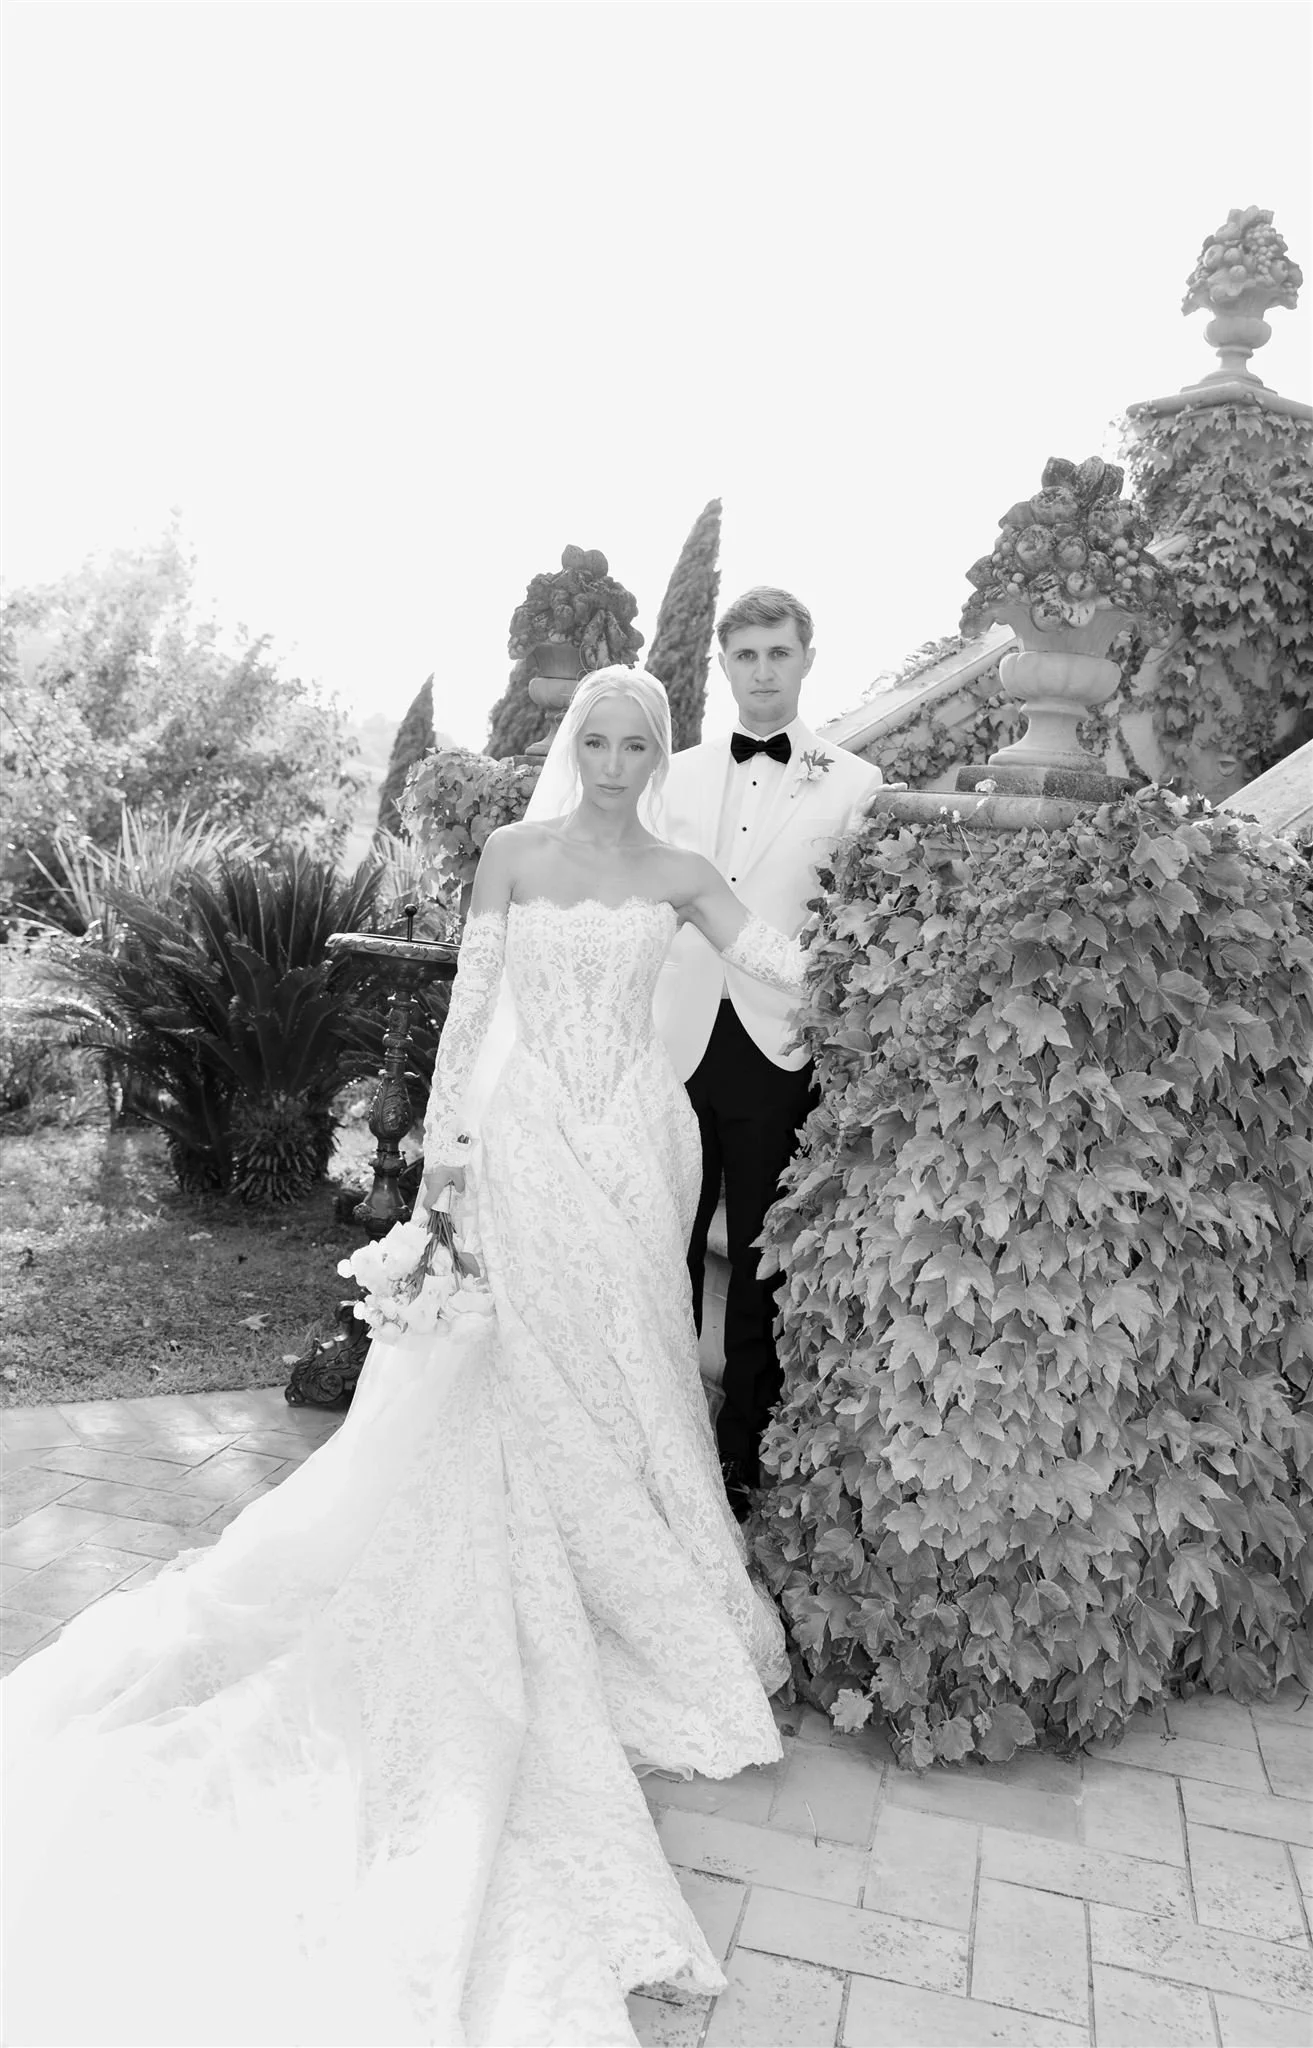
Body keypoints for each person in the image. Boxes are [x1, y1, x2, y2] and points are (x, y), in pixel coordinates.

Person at [2, 668, 804, 2048]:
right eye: (595, 740)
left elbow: (771, 960)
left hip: (642, 1144)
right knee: (537, 1363)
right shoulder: (515, 852)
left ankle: (641, 1576)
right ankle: (545, 1565)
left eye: (635, 743)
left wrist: (885, 964)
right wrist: (440, 1177)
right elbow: (473, 1011)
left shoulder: (679, 865)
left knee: (637, 1366)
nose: (612, 761)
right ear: (574, 746)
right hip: (536, 1144)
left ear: (659, 753)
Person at [654, 587, 883, 1516]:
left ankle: (737, 1457)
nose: (759, 672)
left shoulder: (854, 783)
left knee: (754, 1261)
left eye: (775, 654)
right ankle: (650, 1437)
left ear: (804, 658)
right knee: (655, 1243)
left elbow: (849, 923)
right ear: (721, 665)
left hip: (773, 1044)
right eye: (743, 656)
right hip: (669, 1038)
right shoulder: (673, 771)